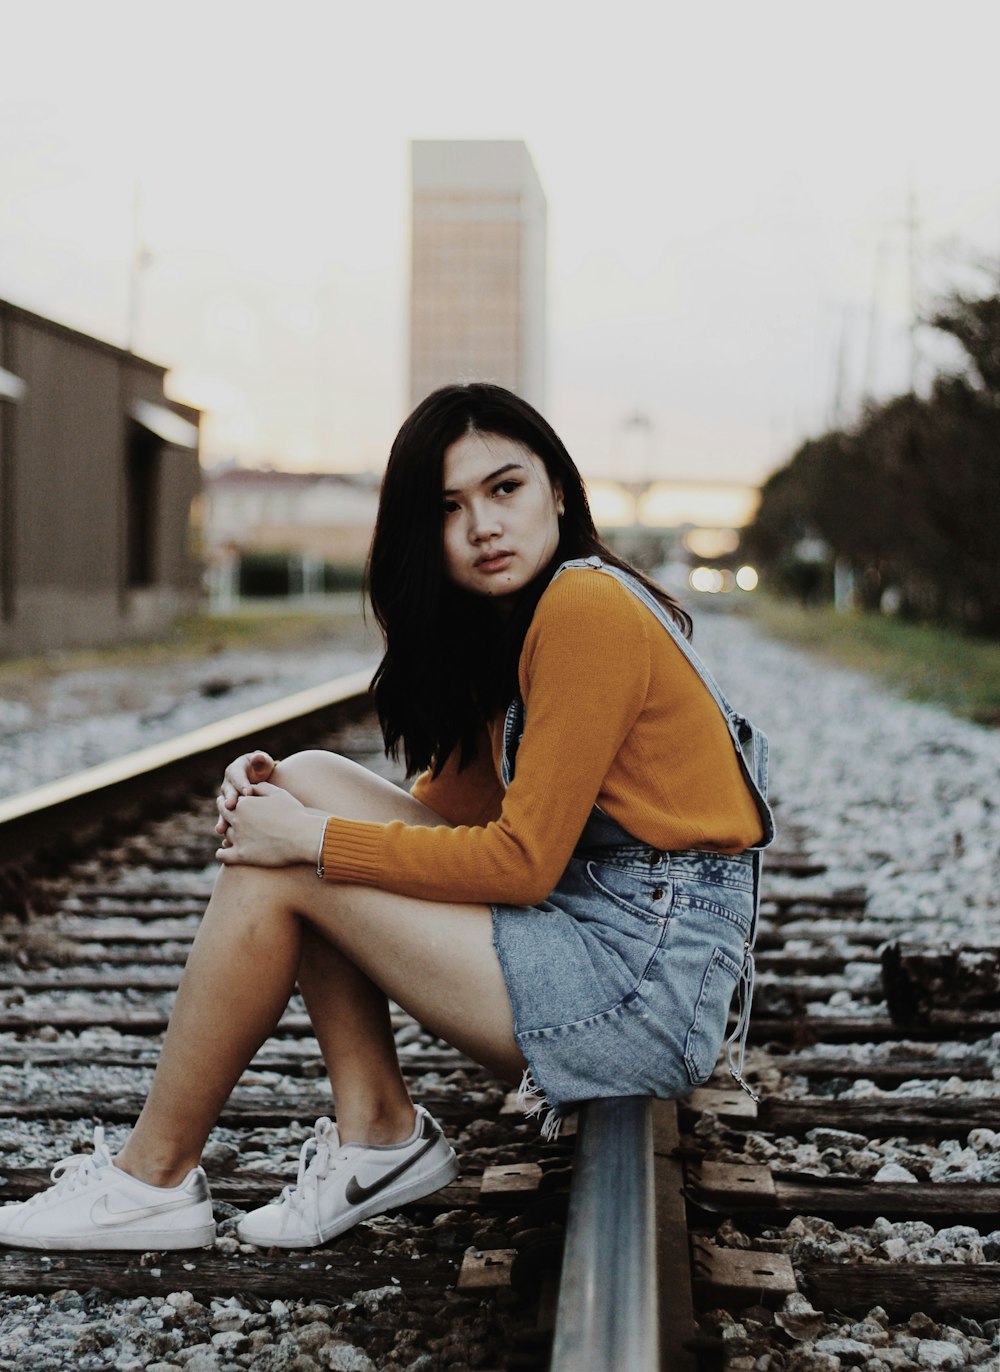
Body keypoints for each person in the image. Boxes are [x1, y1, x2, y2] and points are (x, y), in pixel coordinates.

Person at [0, 383, 773, 1252]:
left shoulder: (585, 607)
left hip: (642, 990)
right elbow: (429, 825)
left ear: (558, 488)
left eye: (505, 489)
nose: (483, 525)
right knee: (307, 779)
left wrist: (307, 841)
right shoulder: (519, 629)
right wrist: (277, 799)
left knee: (295, 865)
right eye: (450, 508)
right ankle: (372, 1134)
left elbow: (520, 865)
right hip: (611, 946)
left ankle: (153, 1180)